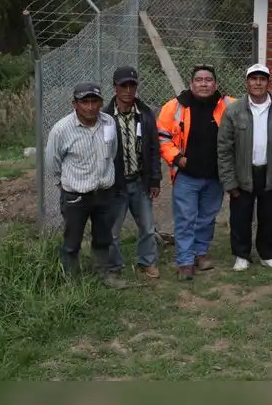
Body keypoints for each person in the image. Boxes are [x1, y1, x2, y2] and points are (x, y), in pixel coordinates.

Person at [156, 64, 235, 281]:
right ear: (191, 84)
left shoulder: (228, 105)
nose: (203, 83)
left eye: (208, 79)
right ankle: (185, 261)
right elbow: (162, 137)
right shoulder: (174, 107)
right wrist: (178, 158)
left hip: (215, 176)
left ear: (215, 84)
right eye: (199, 79)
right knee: (185, 219)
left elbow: (255, 109)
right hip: (186, 176)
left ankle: (201, 253)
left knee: (207, 218)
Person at [218, 63, 272, 271]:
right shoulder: (234, 110)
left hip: (270, 172)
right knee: (240, 216)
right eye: (253, 79)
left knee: (268, 216)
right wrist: (229, 181)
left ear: (268, 83)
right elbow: (224, 149)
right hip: (243, 173)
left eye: (262, 79)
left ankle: (267, 253)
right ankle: (241, 255)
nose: (257, 83)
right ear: (247, 82)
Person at [45, 82, 123, 288]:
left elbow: (112, 152)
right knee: (72, 242)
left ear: (101, 103)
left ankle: (104, 274)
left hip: (104, 192)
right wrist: (63, 185)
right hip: (76, 195)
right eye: (84, 102)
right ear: (75, 104)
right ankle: (72, 282)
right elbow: (53, 161)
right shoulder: (61, 130)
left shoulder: (109, 122)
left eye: (94, 101)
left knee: (103, 237)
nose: (90, 107)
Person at [103, 66, 162, 279]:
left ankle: (147, 262)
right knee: (112, 231)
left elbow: (154, 148)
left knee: (147, 227)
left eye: (132, 85)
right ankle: (114, 267)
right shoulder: (105, 117)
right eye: (123, 85)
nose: (128, 90)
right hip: (115, 185)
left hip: (139, 181)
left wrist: (154, 178)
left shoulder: (145, 114)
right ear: (115, 88)